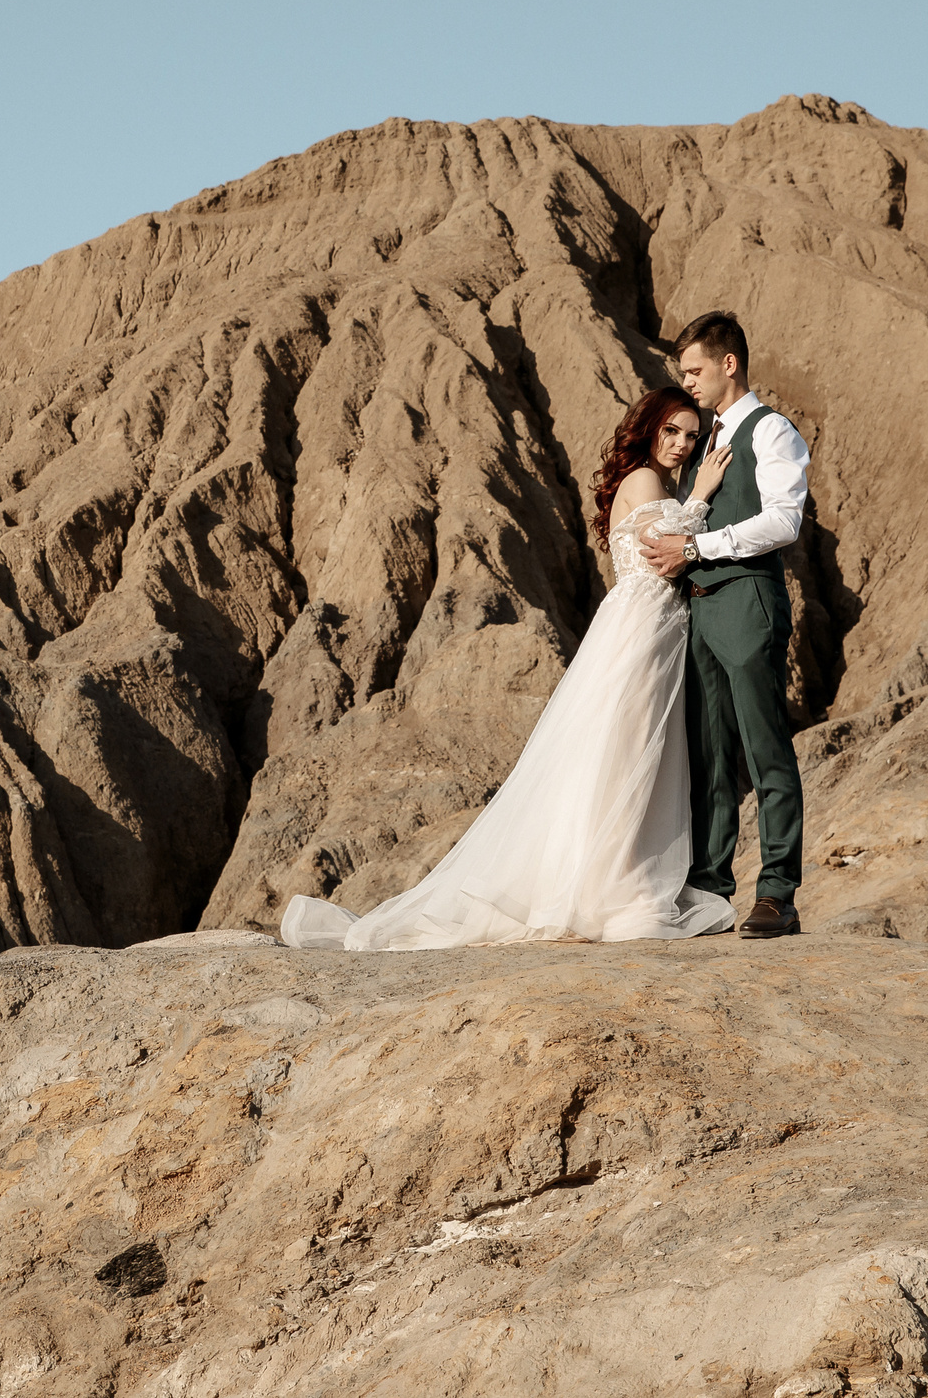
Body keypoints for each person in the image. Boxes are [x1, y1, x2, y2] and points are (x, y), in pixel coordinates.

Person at [279, 388, 739, 950]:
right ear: (648, 431)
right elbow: (664, 557)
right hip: (642, 633)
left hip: (652, 631)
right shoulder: (644, 480)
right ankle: (610, 889)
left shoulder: (659, 483)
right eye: (672, 431)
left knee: (629, 757)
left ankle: (614, 879)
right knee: (626, 754)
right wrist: (704, 497)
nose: (682, 444)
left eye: (691, 436)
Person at [633, 309, 812, 940]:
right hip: (699, 610)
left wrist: (699, 550)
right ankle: (710, 889)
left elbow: (785, 520)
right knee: (708, 754)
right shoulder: (703, 440)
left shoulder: (772, 432)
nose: (690, 381)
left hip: (747, 603)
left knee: (764, 750)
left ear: (728, 364)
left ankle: (777, 894)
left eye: (696, 369)